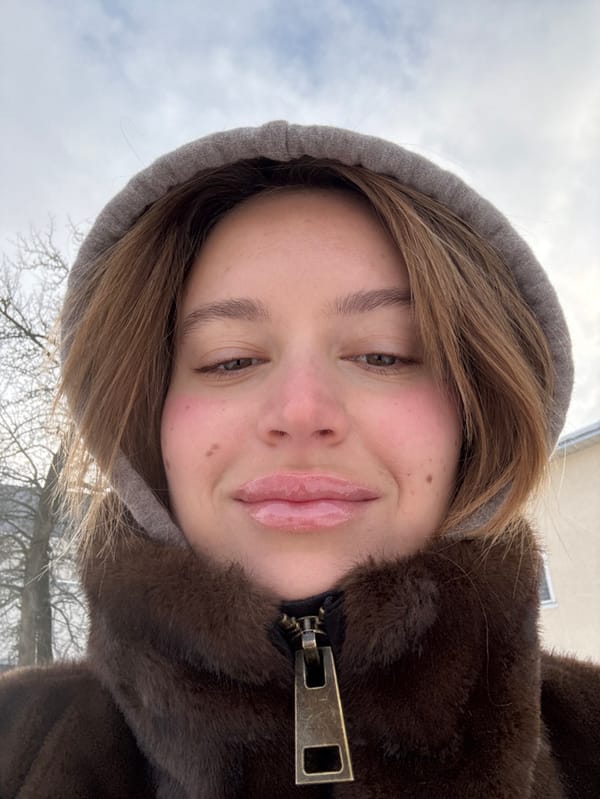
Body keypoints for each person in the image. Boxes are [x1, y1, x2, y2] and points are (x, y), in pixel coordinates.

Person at [1, 121, 598, 798]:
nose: (301, 410)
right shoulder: (16, 742)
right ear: (149, 427)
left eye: (383, 353)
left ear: (475, 410)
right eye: (230, 359)